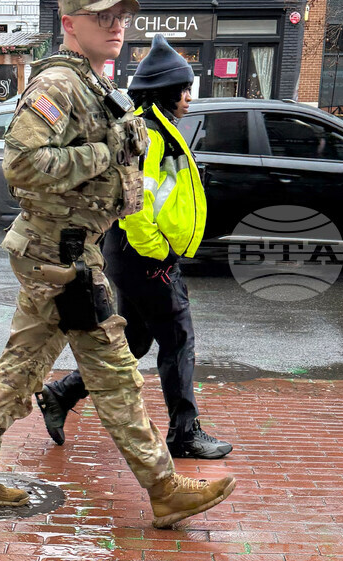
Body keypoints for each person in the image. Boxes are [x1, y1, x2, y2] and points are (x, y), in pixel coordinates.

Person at [0, 0, 235, 529]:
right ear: (69, 23)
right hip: (61, 257)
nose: (117, 25)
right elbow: (22, 165)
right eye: (103, 15)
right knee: (114, 370)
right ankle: (164, 487)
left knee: (23, 365)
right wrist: (106, 151)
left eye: (121, 14)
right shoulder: (59, 85)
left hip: (68, 251)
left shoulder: (91, 84)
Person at [35, 35, 233, 460]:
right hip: (145, 256)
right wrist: (158, 253)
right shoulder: (150, 135)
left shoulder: (157, 128)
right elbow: (135, 204)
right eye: (184, 91)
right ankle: (184, 432)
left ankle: (60, 394)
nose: (189, 99)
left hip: (137, 255)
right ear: (165, 91)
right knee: (179, 340)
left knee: (138, 342)